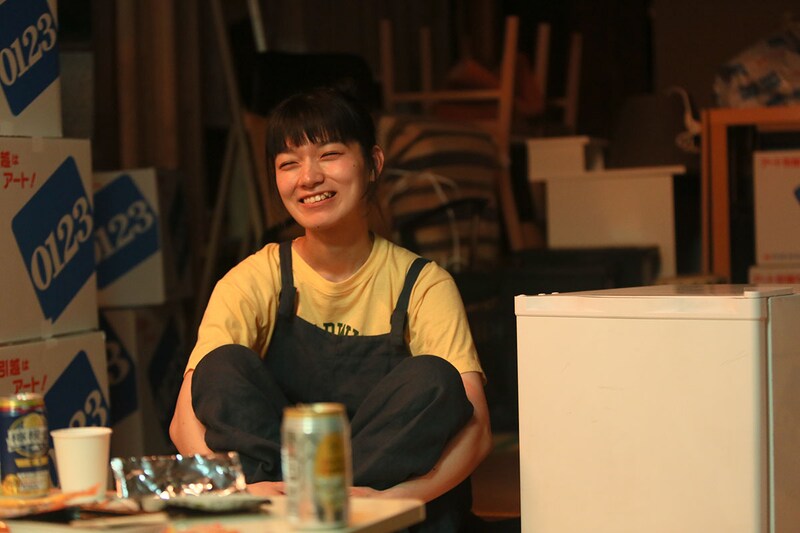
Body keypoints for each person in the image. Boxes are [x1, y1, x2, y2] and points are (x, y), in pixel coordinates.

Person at [169, 86, 492, 531]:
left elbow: (477, 431)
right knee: (221, 365)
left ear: (373, 163)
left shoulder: (423, 283)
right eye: (289, 163)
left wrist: (392, 500)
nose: (309, 178)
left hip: (385, 511)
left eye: (330, 155)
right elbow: (184, 420)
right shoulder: (255, 277)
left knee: (435, 378)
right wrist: (237, 491)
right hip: (279, 504)